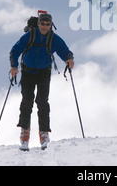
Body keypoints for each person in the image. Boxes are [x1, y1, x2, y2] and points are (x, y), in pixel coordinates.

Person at [9, 13, 74, 151]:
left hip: (44, 72)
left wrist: (69, 59)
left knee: (42, 101)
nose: (45, 26)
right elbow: (15, 50)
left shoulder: (53, 38)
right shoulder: (30, 36)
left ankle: (44, 134)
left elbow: (64, 50)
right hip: (27, 72)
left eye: (47, 24)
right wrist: (14, 66)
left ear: (51, 25)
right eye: (42, 24)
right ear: (38, 24)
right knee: (27, 101)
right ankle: (25, 133)